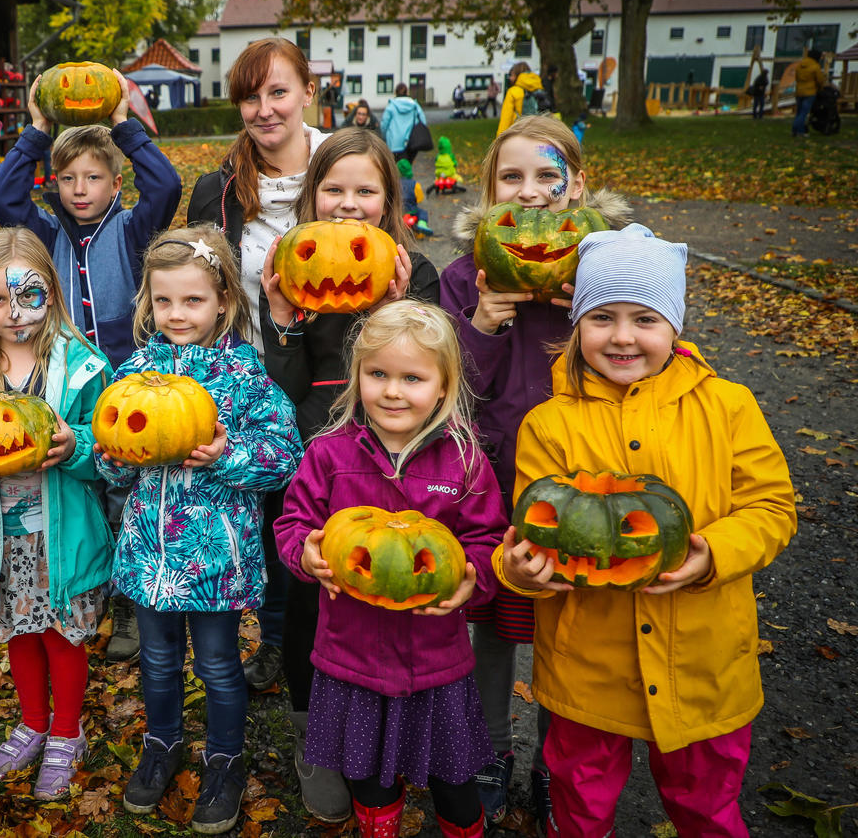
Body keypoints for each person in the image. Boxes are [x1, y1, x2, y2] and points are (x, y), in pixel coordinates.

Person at [497, 223, 796, 836]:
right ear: (576, 324)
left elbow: (771, 507)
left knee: (707, 807)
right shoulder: (549, 424)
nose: (624, 336)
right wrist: (520, 571)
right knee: (579, 806)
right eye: (602, 317)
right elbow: (531, 531)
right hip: (588, 668)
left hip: (704, 663)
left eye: (645, 318)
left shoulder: (729, 407)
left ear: (674, 326)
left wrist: (713, 553)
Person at [438, 115, 630, 827]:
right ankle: (490, 752)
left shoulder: (600, 270)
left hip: (579, 488)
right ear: (489, 191)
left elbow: (629, 364)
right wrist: (483, 324)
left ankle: (560, 762)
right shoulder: (467, 278)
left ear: (578, 184)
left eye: (549, 176)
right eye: (512, 178)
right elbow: (453, 390)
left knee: (565, 631)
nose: (533, 193)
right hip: (490, 485)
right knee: (491, 633)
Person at [257, 128, 438, 823]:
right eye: (334, 189)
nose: (349, 203)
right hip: (314, 456)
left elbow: (420, 374)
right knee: (310, 599)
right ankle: (317, 740)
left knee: (382, 591)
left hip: (389, 460)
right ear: (312, 195)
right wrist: (281, 319)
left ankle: (388, 735)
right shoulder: (293, 265)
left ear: (389, 199)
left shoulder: (411, 271)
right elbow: (283, 386)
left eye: (366, 190)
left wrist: (386, 308)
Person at [273, 301, 505, 838]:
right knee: (368, 776)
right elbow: (293, 522)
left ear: (444, 387)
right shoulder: (330, 453)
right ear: (357, 376)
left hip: (435, 661)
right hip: (350, 656)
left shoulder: (465, 460)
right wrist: (303, 554)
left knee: (454, 777)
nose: (393, 391)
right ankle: (379, 823)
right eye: (377, 374)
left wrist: (473, 575)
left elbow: (487, 539)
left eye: (412, 378)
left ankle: (463, 827)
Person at [98, 225, 300, 835]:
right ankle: (162, 745)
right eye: (164, 301)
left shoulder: (245, 374)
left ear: (223, 302)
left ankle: (225, 758)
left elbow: (283, 455)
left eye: (193, 300)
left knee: (216, 665)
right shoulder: (136, 367)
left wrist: (227, 455)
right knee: (157, 662)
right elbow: (108, 449)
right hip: (148, 555)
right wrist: (116, 457)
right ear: (147, 303)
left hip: (214, 557)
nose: (177, 313)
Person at [0, 71, 180, 663]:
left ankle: (127, 602)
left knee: (126, 492)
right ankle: (84, 592)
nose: (79, 189)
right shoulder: (45, 234)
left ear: (115, 181)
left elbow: (167, 186)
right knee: (81, 487)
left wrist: (125, 123)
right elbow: (2, 200)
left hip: (126, 385)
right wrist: (39, 129)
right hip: (65, 383)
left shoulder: (132, 229)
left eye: (93, 177)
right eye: (67, 178)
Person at [0, 227, 114, 800]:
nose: (14, 313)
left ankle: (66, 731)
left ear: (53, 294)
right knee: (18, 632)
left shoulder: (83, 364)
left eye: (29, 296)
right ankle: (33, 719)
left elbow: (109, 450)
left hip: (63, 535)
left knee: (62, 634)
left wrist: (77, 447)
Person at [187, 36, 325, 691]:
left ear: (306, 91)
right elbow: (195, 279)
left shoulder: (341, 169)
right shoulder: (219, 191)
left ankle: (324, 654)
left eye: (277, 91)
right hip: (250, 375)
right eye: (250, 96)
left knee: (320, 511)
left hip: (331, 374)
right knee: (268, 518)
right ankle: (273, 640)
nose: (265, 109)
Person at [380, 83, 428, 163]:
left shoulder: (391, 106)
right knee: (407, 168)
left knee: (396, 169)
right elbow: (423, 121)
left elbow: (384, 125)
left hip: (394, 143)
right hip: (412, 142)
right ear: (407, 92)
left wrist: (385, 138)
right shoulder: (415, 105)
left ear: (395, 92)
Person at [496, 62, 543, 135]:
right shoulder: (539, 89)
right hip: (539, 133)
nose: (510, 78)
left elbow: (506, 119)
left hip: (518, 133)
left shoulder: (513, 91)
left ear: (517, 75)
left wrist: (499, 138)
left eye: (511, 75)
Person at [793, 49, 829, 138]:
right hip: (810, 92)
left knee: (799, 112)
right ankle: (798, 131)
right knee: (804, 113)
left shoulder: (800, 64)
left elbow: (796, 77)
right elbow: (820, 80)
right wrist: (821, 88)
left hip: (799, 91)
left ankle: (796, 130)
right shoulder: (815, 66)